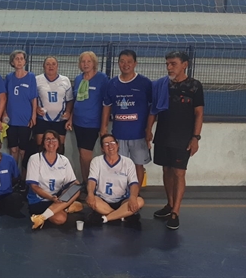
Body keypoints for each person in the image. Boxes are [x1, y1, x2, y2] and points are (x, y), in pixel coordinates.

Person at [147, 51, 204, 230]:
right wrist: (148, 130)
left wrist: (195, 137)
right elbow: (153, 109)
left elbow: (199, 113)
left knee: (179, 173)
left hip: (182, 138)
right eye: (167, 64)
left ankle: (175, 212)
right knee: (166, 170)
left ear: (184, 64)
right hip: (163, 135)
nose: (169, 67)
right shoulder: (162, 85)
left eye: (173, 64)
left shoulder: (195, 86)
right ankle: (169, 204)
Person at [100, 50, 152, 189]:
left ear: (135, 63)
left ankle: (136, 194)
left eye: (129, 62)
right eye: (122, 61)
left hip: (139, 135)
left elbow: (152, 109)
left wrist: (149, 129)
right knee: (119, 165)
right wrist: (103, 128)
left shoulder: (145, 83)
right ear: (118, 63)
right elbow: (107, 106)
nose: (126, 65)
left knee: (137, 165)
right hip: (118, 135)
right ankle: (121, 193)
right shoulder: (112, 84)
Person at [65, 51, 108, 184]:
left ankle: (91, 185)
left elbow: (106, 103)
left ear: (94, 63)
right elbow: (76, 101)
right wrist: (71, 118)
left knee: (86, 155)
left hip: (92, 123)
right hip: (78, 122)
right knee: (81, 155)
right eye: (83, 61)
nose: (86, 64)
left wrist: (103, 126)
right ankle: (85, 182)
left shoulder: (102, 79)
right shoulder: (79, 79)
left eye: (89, 61)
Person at [27, 130, 83, 230]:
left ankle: (41, 218)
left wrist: (70, 191)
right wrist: (51, 198)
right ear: (43, 143)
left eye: (54, 139)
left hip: (58, 198)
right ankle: (66, 207)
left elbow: (74, 182)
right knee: (60, 219)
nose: (51, 142)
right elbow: (34, 187)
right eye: (47, 139)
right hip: (39, 200)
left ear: (58, 143)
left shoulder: (64, 160)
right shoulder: (35, 159)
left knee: (76, 189)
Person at [85, 134, 144, 226]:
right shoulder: (97, 161)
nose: (110, 146)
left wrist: (132, 197)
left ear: (117, 145)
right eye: (106, 144)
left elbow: (134, 183)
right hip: (103, 199)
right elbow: (92, 181)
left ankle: (106, 218)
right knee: (92, 200)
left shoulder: (128, 162)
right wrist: (90, 194)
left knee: (139, 201)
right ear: (102, 148)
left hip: (122, 200)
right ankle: (122, 215)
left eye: (112, 143)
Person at [4, 50, 37, 166]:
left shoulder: (31, 77)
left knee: (23, 150)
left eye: (21, 58)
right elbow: (5, 97)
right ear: (12, 62)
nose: (19, 61)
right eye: (16, 59)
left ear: (25, 61)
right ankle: (14, 177)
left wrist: (33, 115)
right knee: (13, 149)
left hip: (25, 119)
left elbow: (34, 98)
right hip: (11, 119)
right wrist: (4, 113)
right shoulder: (9, 77)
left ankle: (23, 177)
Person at [34, 56, 74, 153]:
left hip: (60, 119)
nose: (50, 66)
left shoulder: (65, 80)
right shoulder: (37, 80)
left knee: (59, 147)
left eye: (53, 64)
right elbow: (32, 98)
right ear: (43, 66)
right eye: (48, 64)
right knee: (41, 146)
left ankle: (58, 167)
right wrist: (36, 108)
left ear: (57, 66)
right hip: (42, 119)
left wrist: (68, 112)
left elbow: (70, 100)